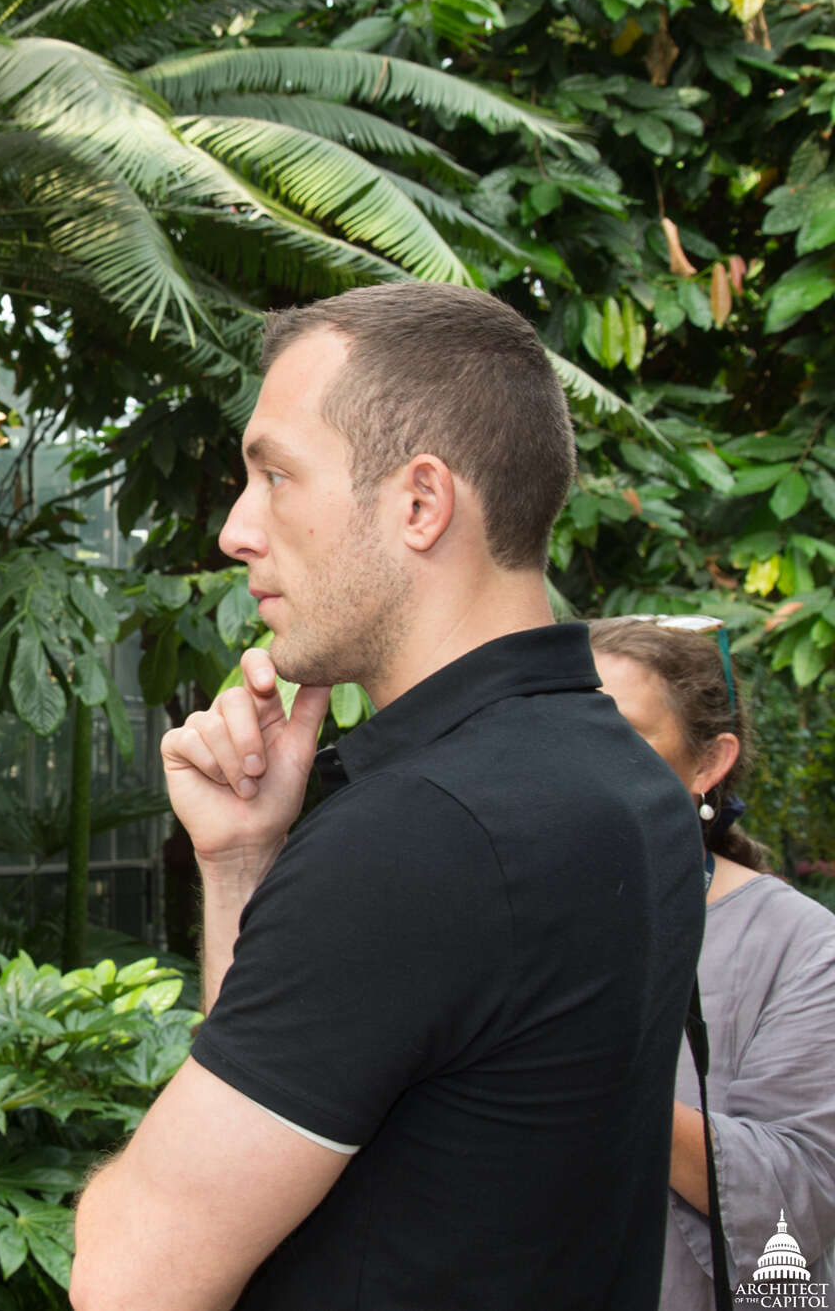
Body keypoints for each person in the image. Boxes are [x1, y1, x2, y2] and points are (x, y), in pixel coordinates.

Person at [71, 283, 705, 1310]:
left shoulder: (424, 837)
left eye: (274, 474)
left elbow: (130, 1276)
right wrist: (238, 864)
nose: (236, 529)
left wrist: (113, 1215)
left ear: (418, 502)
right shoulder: (625, 779)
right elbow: (313, 1096)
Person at [589, 616, 835, 1306]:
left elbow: (806, 1194)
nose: (579, 760)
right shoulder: (487, 909)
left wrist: (601, 1076)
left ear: (708, 762)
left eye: (620, 733)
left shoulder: (800, 947)